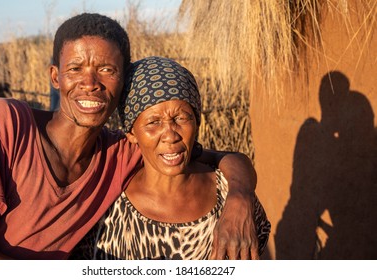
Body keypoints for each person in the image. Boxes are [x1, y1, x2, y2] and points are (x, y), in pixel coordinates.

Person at [0, 13, 258, 260]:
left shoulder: (122, 151)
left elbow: (224, 158)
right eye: (75, 68)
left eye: (107, 69)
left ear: (122, 84)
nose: (90, 82)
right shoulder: (1, 124)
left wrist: (240, 197)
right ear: (55, 77)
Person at [70, 56, 270, 260]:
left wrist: (240, 196)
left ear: (197, 121)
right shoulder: (105, 206)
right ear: (131, 133)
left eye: (181, 118)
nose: (171, 135)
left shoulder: (233, 200)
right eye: (153, 122)